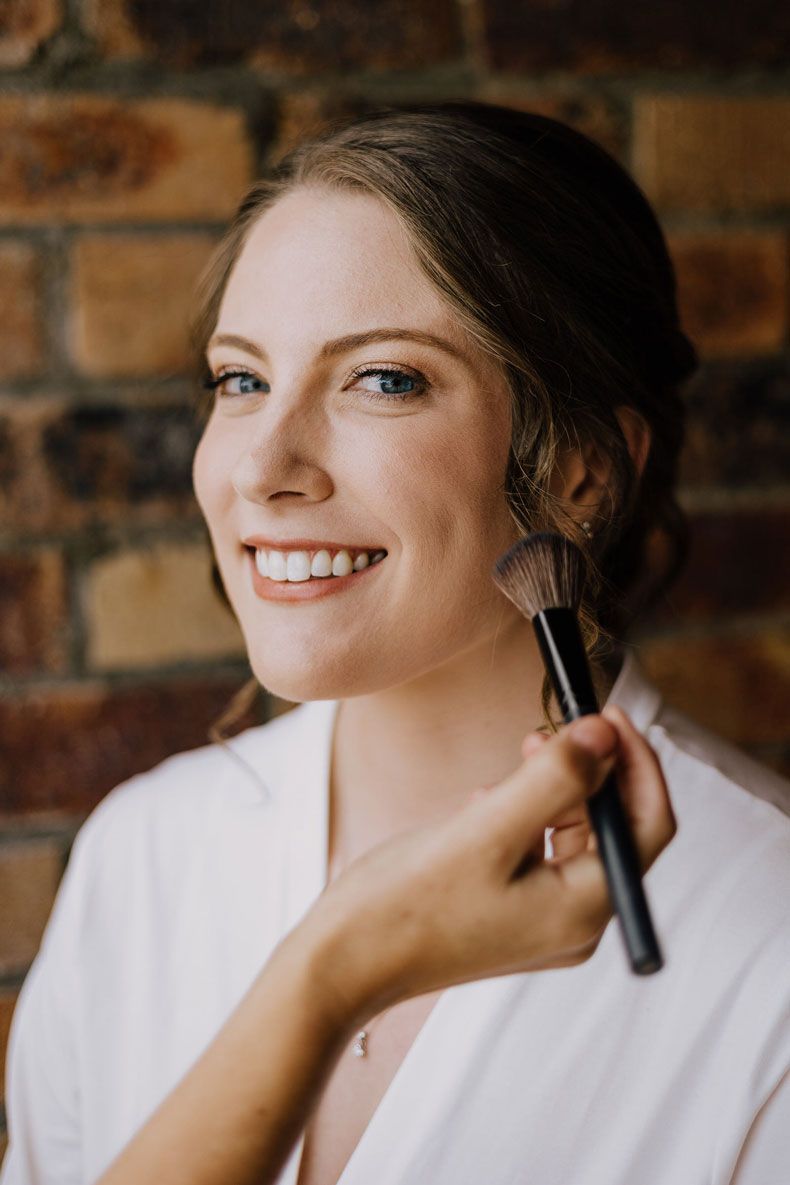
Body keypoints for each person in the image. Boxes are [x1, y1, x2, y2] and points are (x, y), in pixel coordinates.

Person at [1, 102, 788, 1185]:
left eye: (384, 378)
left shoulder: (766, 939)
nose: (262, 467)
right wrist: (329, 973)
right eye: (241, 380)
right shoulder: (144, 858)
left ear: (581, 473)